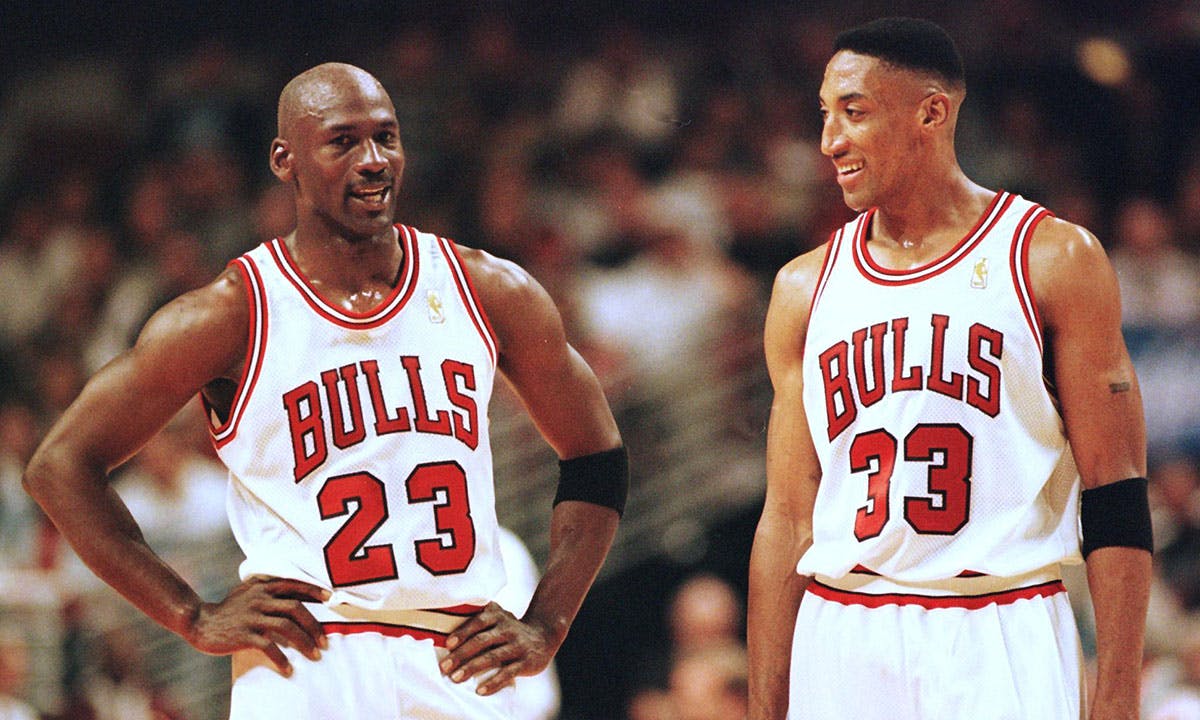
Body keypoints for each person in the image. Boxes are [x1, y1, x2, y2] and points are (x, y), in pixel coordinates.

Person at [23, 62, 628, 720]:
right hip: (309, 654)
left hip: (455, 650)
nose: (373, 161)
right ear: (285, 160)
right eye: (343, 141)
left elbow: (595, 454)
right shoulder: (231, 314)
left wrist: (549, 622)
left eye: (386, 138)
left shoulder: (487, 290)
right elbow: (60, 465)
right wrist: (190, 614)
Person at [747, 17, 1152, 720]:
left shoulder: (1052, 259)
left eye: (854, 111)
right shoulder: (802, 290)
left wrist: (1116, 694)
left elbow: (1115, 491)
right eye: (824, 115)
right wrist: (764, 706)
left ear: (931, 112)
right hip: (841, 627)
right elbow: (786, 518)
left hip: (998, 620)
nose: (829, 140)